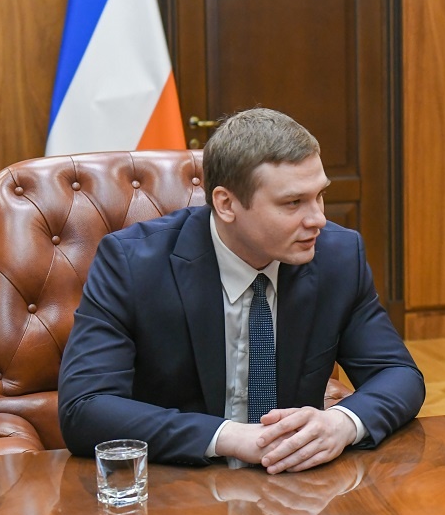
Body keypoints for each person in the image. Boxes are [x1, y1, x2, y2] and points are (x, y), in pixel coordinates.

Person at [59, 107, 424, 474]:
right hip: (179, 486)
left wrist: (342, 423)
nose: (318, 219)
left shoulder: (338, 257)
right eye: (293, 202)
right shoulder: (132, 264)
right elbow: (85, 407)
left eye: (319, 196)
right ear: (226, 204)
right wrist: (231, 437)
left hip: (295, 489)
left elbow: (398, 373)